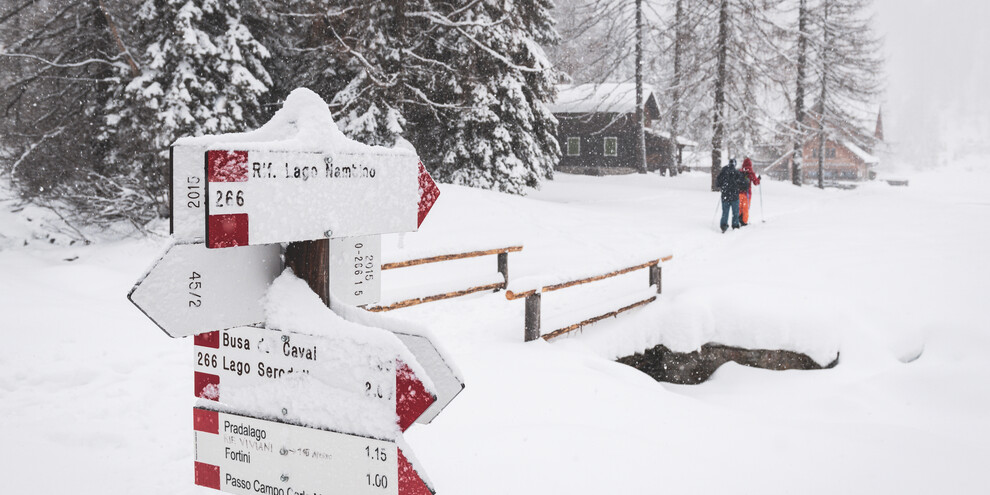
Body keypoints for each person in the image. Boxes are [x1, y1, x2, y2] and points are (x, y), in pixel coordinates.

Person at [715, 158, 742, 233]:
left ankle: (723, 225)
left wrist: (723, 187)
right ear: (734, 164)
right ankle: (735, 225)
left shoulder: (723, 172)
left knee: (725, 212)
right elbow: (741, 183)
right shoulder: (737, 173)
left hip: (725, 195)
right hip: (734, 195)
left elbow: (717, 183)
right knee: (735, 212)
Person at [738, 157, 761, 226]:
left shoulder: (740, 171)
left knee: (739, 207)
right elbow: (756, 182)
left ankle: (737, 219)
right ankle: (744, 221)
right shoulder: (751, 172)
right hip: (747, 193)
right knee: (746, 208)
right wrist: (759, 179)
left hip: (739, 192)